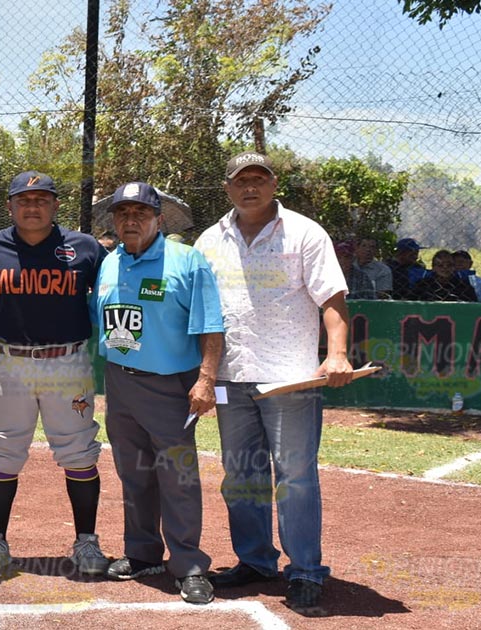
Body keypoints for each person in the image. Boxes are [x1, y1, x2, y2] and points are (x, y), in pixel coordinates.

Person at [194, 151, 353, 613]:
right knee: (241, 475)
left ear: (274, 183)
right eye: (241, 180)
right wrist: (204, 372)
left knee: (295, 477)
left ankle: (305, 571)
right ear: (227, 188)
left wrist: (337, 353)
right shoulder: (210, 240)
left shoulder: (304, 233)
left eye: (258, 179)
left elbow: (332, 299)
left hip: (291, 379)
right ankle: (256, 561)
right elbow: (201, 309)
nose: (250, 187)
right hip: (231, 376)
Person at [0, 171, 106, 578]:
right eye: (24, 200)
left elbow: (110, 292)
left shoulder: (85, 248)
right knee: (2, 450)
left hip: (68, 361)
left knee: (79, 450)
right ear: (9, 206)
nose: (33, 207)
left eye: (42, 199)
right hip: (7, 360)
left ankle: (86, 541)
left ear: (56, 205)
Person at [94, 182, 224, 605]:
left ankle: (188, 565)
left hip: (170, 385)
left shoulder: (186, 261)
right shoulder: (110, 262)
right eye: (123, 213)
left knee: (177, 477)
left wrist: (206, 379)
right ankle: (143, 553)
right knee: (134, 473)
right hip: (120, 381)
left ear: (159, 219)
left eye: (141, 213)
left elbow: (210, 325)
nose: (130, 220)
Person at [411, 249, 478, 302]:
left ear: (454, 267)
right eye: (440, 265)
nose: (445, 268)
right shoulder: (422, 285)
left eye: (449, 265)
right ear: (433, 268)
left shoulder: (463, 286)